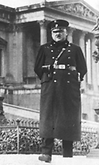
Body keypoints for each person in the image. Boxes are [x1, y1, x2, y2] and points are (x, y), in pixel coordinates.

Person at [34, 19, 87, 163]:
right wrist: (47, 76)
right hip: (50, 87)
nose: (58, 34)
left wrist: (75, 81)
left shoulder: (75, 49)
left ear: (66, 33)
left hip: (69, 88)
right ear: (51, 33)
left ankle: (67, 152)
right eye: (55, 32)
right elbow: (38, 68)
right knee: (48, 117)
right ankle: (46, 152)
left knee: (68, 118)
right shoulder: (44, 48)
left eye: (61, 31)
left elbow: (83, 68)